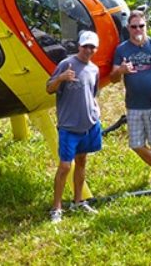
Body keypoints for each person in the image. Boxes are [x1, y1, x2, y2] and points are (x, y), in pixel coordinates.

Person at [110, 10, 151, 187]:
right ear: (128, 28)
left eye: (141, 26)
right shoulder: (122, 49)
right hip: (134, 105)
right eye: (134, 27)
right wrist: (121, 71)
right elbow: (113, 78)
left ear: (146, 26)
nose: (138, 30)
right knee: (136, 144)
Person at [45, 30, 103, 223]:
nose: (88, 50)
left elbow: (92, 94)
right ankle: (56, 208)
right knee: (64, 166)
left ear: (96, 48)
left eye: (92, 47)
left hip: (88, 124)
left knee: (82, 162)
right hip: (68, 125)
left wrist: (95, 112)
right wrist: (61, 78)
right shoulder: (66, 64)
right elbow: (48, 88)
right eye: (85, 46)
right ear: (79, 46)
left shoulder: (94, 69)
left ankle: (78, 201)